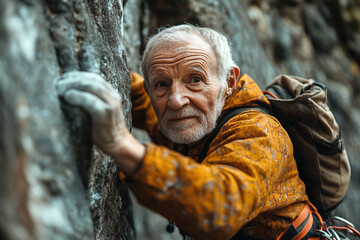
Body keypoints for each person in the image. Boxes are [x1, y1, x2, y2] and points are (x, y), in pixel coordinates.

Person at [57, 24, 309, 240]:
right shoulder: (189, 124)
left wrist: (121, 144)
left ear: (229, 82)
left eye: (195, 80)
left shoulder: (259, 132)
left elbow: (221, 208)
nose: (176, 101)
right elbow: (141, 100)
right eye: (162, 84)